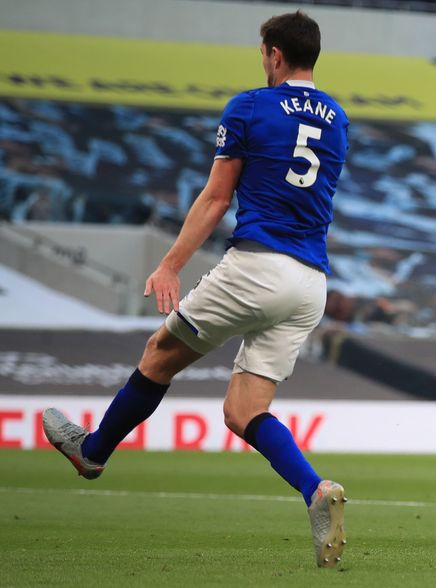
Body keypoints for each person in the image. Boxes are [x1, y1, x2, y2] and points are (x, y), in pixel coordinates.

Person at [42, 11, 350, 569]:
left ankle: (92, 452)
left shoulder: (251, 105)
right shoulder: (337, 118)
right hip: (310, 284)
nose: (262, 61)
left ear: (275, 54)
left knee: (158, 355)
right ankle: (315, 489)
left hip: (256, 267)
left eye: (264, 52)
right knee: (243, 410)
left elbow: (216, 198)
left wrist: (169, 265)